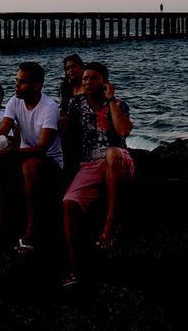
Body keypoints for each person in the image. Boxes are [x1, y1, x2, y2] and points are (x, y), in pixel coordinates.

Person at [61, 61, 133, 286]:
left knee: (111, 154)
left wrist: (110, 99)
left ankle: (111, 223)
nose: (88, 82)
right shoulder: (76, 104)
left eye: (94, 78)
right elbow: (69, 135)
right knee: (69, 203)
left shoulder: (119, 104)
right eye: (85, 78)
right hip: (89, 165)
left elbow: (123, 131)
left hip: (119, 160)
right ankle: (75, 268)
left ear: (104, 82)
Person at [0, 61, 63, 255]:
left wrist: (14, 153)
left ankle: (32, 228)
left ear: (37, 85)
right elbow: (3, 127)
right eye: (16, 81)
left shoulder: (49, 107)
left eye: (22, 82)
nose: (16, 86)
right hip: (24, 155)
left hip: (50, 161)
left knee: (29, 165)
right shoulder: (15, 101)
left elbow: (42, 147)